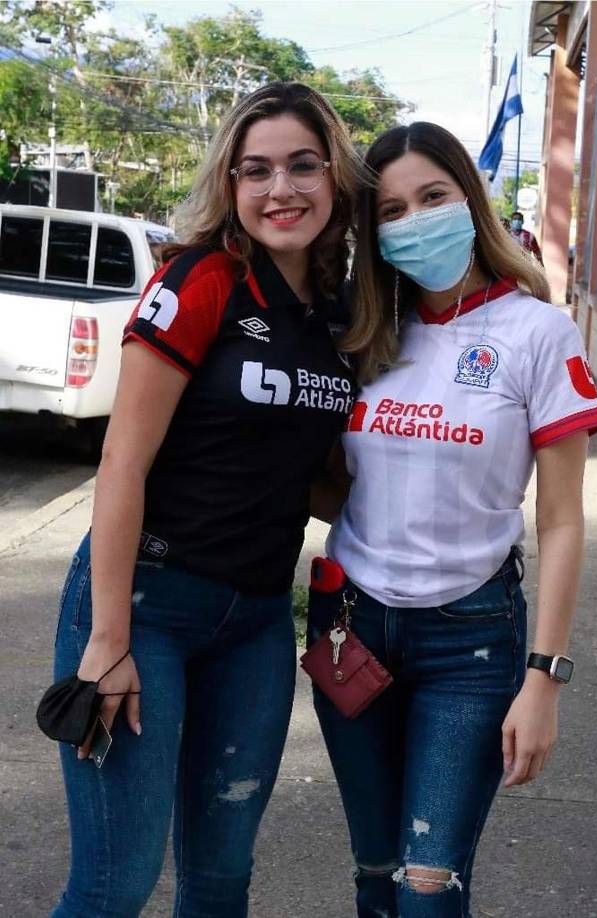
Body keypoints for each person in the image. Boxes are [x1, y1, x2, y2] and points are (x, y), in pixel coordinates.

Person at [50, 81, 362, 917]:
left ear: (335, 177)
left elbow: (305, 476)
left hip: (254, 622)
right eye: (255, 170)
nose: (279, 188)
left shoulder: (337, 315)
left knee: (222, 882)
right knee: (114, 884)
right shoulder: (201, 280)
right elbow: (121, 463)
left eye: (302, 165)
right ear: (230, 183)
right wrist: (108, 641)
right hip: (144, 606)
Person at [306, 122, 597, 918]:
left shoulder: (537, 332)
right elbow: (337, 486)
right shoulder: (365, 334)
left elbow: (561, 521)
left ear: (470, 201)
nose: (415, 221)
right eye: (391, 210)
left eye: (432, 197)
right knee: (375, 874)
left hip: (469, 642)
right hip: (351, 626)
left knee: (428, 888)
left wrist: (543, 678)